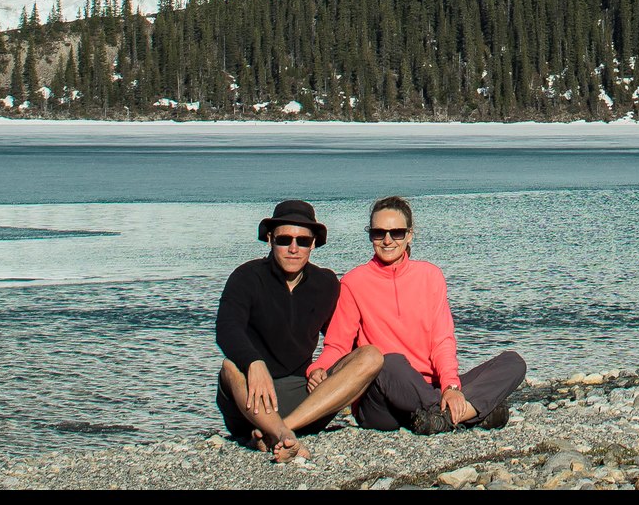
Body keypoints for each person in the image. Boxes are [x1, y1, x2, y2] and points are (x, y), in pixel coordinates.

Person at [309, 194, 526, 435]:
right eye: (378, 233)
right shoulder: (353, 282)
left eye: (397, 233)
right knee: (388, 361)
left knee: (512, 362)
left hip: (428, 387)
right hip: (381, 400)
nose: (387, 240)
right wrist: (317, 369)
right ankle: (469, 413)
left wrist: (451, 386)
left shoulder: (430, 276)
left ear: (410, 234)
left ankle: (443, 415)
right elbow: (337, 345)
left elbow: (442, 341)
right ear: (370, 235)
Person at [215, 199, 382, 461]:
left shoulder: (325, 283)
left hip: (302, 400)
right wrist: (253, 362)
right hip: (251, 399)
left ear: (313, 243)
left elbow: (341, 339)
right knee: (229, 367)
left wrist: (322, 369)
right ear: (270, 239)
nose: (293, 248)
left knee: (370, 355)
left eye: (302, 241)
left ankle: (281, 433)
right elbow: (226, 327)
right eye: (285, 240)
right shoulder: (246, 277)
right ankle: (281, 434)